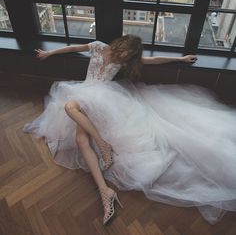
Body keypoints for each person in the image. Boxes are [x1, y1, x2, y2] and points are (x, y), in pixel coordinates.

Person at [23, 35, 236, 225]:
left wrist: (179, 60)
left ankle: (102, 146)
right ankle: (105, 190)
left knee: (70, 107)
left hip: (103, 98)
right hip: (84, 92)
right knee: (80, 139)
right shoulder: (98, 46)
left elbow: (153, 60)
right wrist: (49, 52)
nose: (126, 55)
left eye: (130, 54)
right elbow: (72, 49)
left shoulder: (124, 61)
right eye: (126, 50)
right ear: (121, 43)